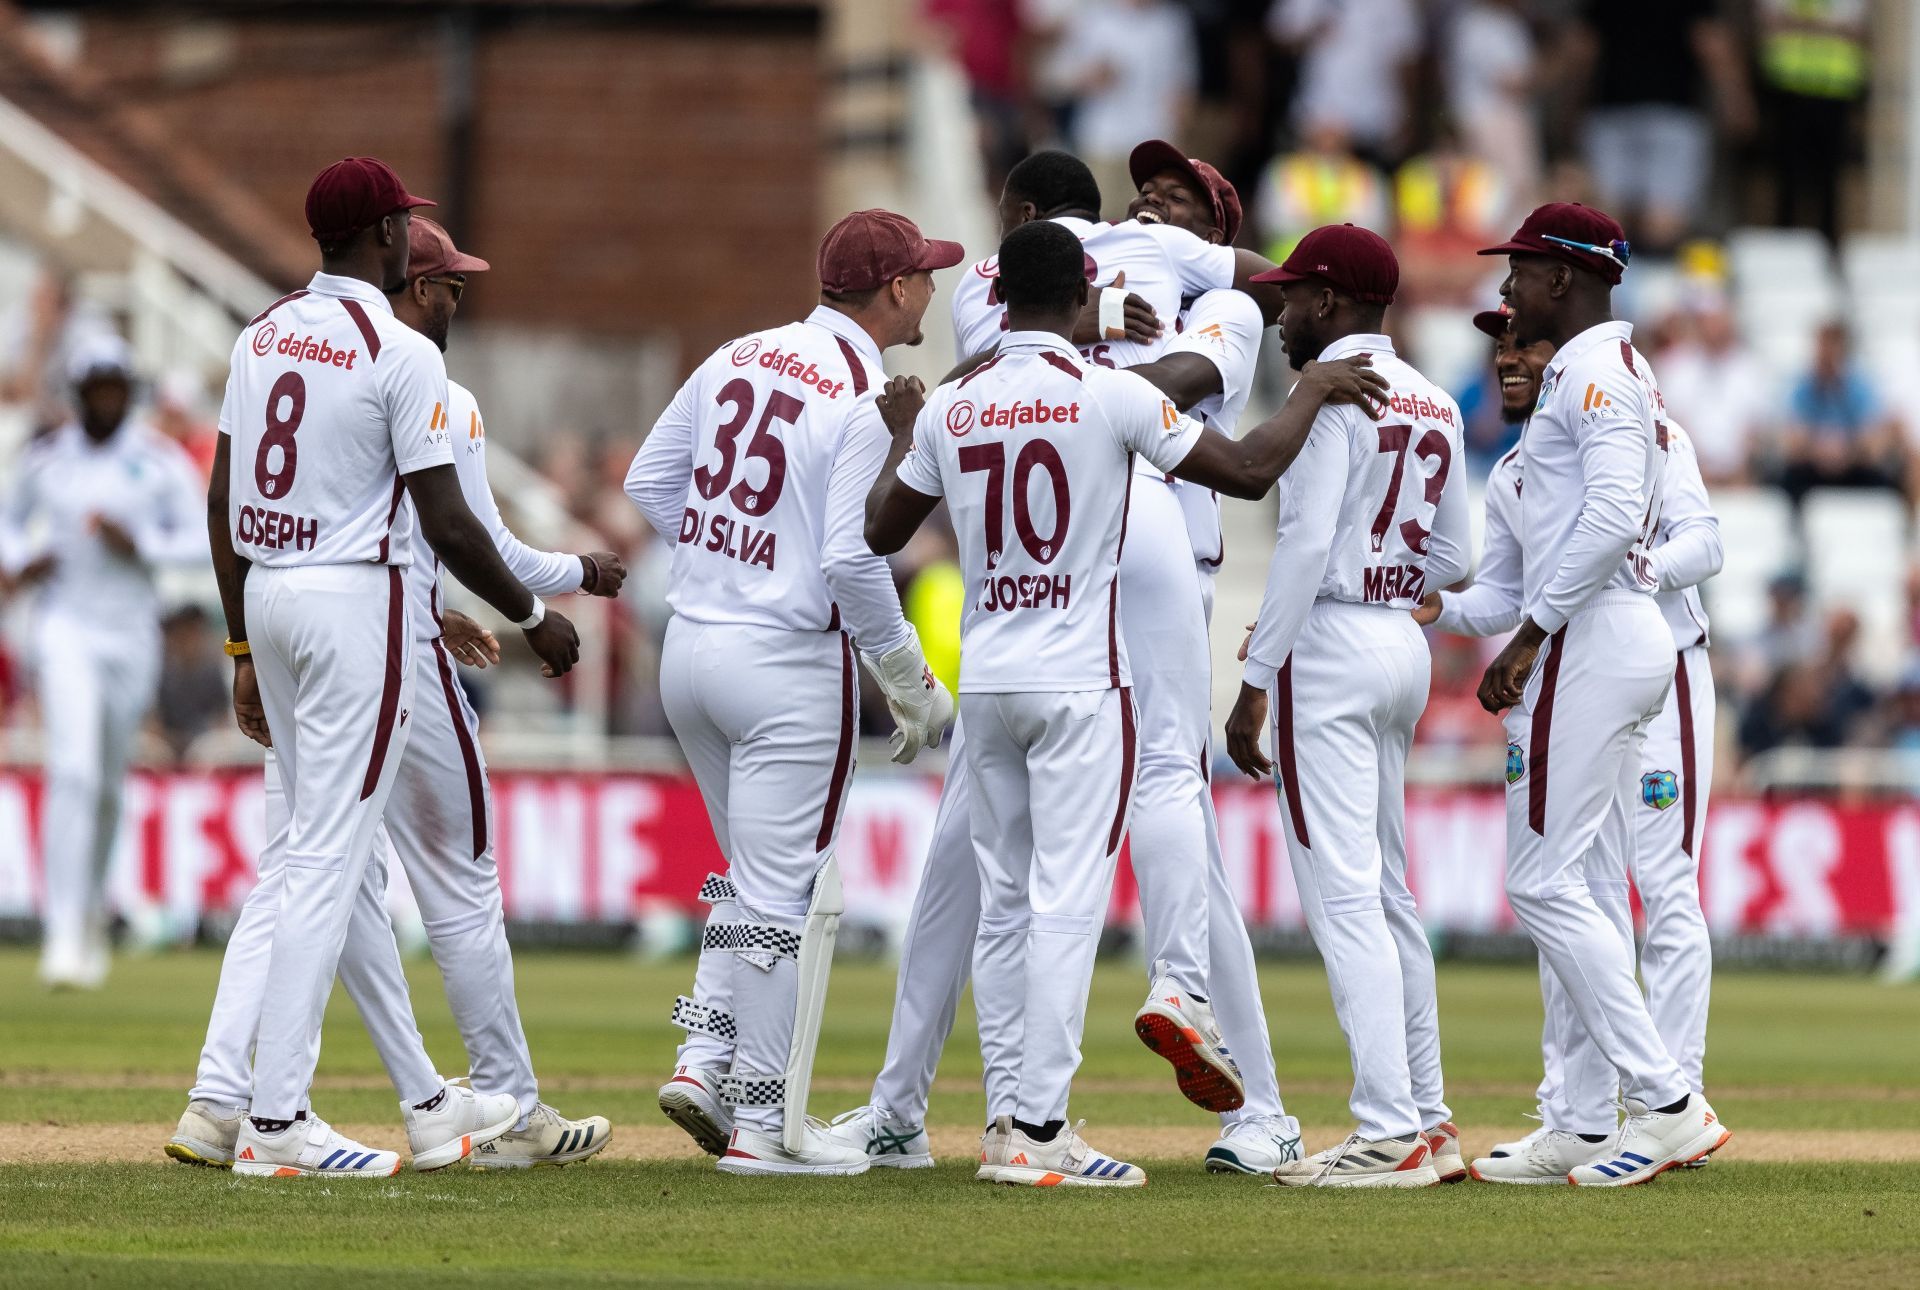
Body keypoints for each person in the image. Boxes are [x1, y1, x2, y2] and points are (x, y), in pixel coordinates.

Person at [828, 143, 1363, 1178]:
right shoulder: (1105, 280)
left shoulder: (1198, 294)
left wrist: (1075, 349)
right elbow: (1148, 388)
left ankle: (1216, 1082)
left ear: (1216, 228)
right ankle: (954, 1105)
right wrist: (1094, 353)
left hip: (1112, 568)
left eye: (1183, 201)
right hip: (1101, 537)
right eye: (1145, 193)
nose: (1154, 205)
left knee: (1127, 822)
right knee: (1016, 849)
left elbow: (1178, 348)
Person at [169, 217, 622, 1176]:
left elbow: (246, 501)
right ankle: (503, 1105)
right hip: (373, 633)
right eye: (448, 283)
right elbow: (464, 529)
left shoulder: (272, 334)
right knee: (442, 877)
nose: (457, 298)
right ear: (407, 278)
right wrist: (559, 587)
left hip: (297, 609)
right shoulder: (413, 368)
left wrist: (246, 640)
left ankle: (229, 1096)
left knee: (303, 867)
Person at [628, 209, 958, 1177]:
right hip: (782, 663)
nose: (932, 289)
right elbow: (857, 565)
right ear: (894, 290)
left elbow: (652, 485)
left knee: (746, 880)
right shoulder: (866, 390)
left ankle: (704, 1061)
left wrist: (734, 555)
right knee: (784, 895)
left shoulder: (743, 351)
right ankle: (765, 1129)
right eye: (924, 276)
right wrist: (911, 681)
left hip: (692, 645)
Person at [1419, 303, 1725, 1183]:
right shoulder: (1516, 472)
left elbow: (1704, 539)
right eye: (1500, 346)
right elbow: (1505, 601)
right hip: (1575, 668)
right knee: (1580, 886)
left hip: (1664, 667)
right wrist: (1435, 608)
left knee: (1663, 886)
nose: (1509, 358)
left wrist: (1645, 570)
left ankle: (1675, 1099)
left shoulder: (1646, 431)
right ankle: (1583, 1115)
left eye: (1526, 342)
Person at [1222, 224, 1470, 1189]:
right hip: (1398, 646)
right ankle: (1431, 1118)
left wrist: (1253, 684)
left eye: (1291, 296)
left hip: (1329, 648)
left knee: (1343, 895)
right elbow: (1456, 558)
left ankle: (1387, 1128)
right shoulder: (1437, 399)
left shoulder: (1326, 396)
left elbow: (1303, 542)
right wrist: (1389, 586)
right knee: (1391, 893)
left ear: (1328, 303)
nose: (1279, 311)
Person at [0, 334, 206, 989]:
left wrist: (139, 542)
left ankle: (88, 915)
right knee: (75, 772)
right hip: (64, 626)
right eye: (97, 390)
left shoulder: (158, 460)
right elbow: (8, 521)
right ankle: (61, 932)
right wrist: (19, 564)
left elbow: (204, 538)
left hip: (131, 633)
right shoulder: (47, 459)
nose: (107, 402)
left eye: (117, 389)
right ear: (81, 394)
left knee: (110, 786)